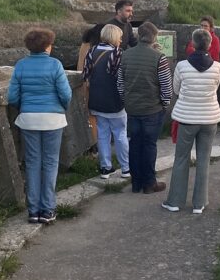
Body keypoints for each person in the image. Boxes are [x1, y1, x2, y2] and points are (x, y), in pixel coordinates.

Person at [7, 28, 73, 225]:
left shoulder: (20, 65)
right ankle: (48, 209)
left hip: (28, 119)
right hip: (53, 119)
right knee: (51, 162)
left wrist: (25, 108)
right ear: (47, 46)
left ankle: (33, 210)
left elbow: (12, 97)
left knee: (33, 162)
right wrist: (61, 108)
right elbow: (66, 94)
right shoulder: (55, 65)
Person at [163, 29, 220, 214]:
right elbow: (215, 88)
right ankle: (199, 203)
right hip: (209, 118)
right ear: (210, 44)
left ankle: (175, 201)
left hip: (187, 118)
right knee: (204, 159)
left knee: (181, 158)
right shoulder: (217, 67)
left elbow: (176, 90)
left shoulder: (182, 66)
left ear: (193, 43)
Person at [117, 21, 173, 193]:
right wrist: (164, 103)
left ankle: (136, 183)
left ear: (138, 35)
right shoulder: (159, 58)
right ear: (154, 37)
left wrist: (126, 100)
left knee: (135, 144)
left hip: (132, 108)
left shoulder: (125, 55)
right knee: (149, 145)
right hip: (152, 109)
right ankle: (149, 183)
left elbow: (120, 83)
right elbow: (166, 86)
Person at [83, 24, 130, 180]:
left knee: (102, 134)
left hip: (96, 99)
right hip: (114, 100)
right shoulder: (118, 54)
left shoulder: (92, 51)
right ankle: (125, 168)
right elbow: (121, 79)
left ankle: (105, 168)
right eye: (120, 37)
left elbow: (86, 76)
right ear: (114, 37)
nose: (121, 40)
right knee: (120, 134)